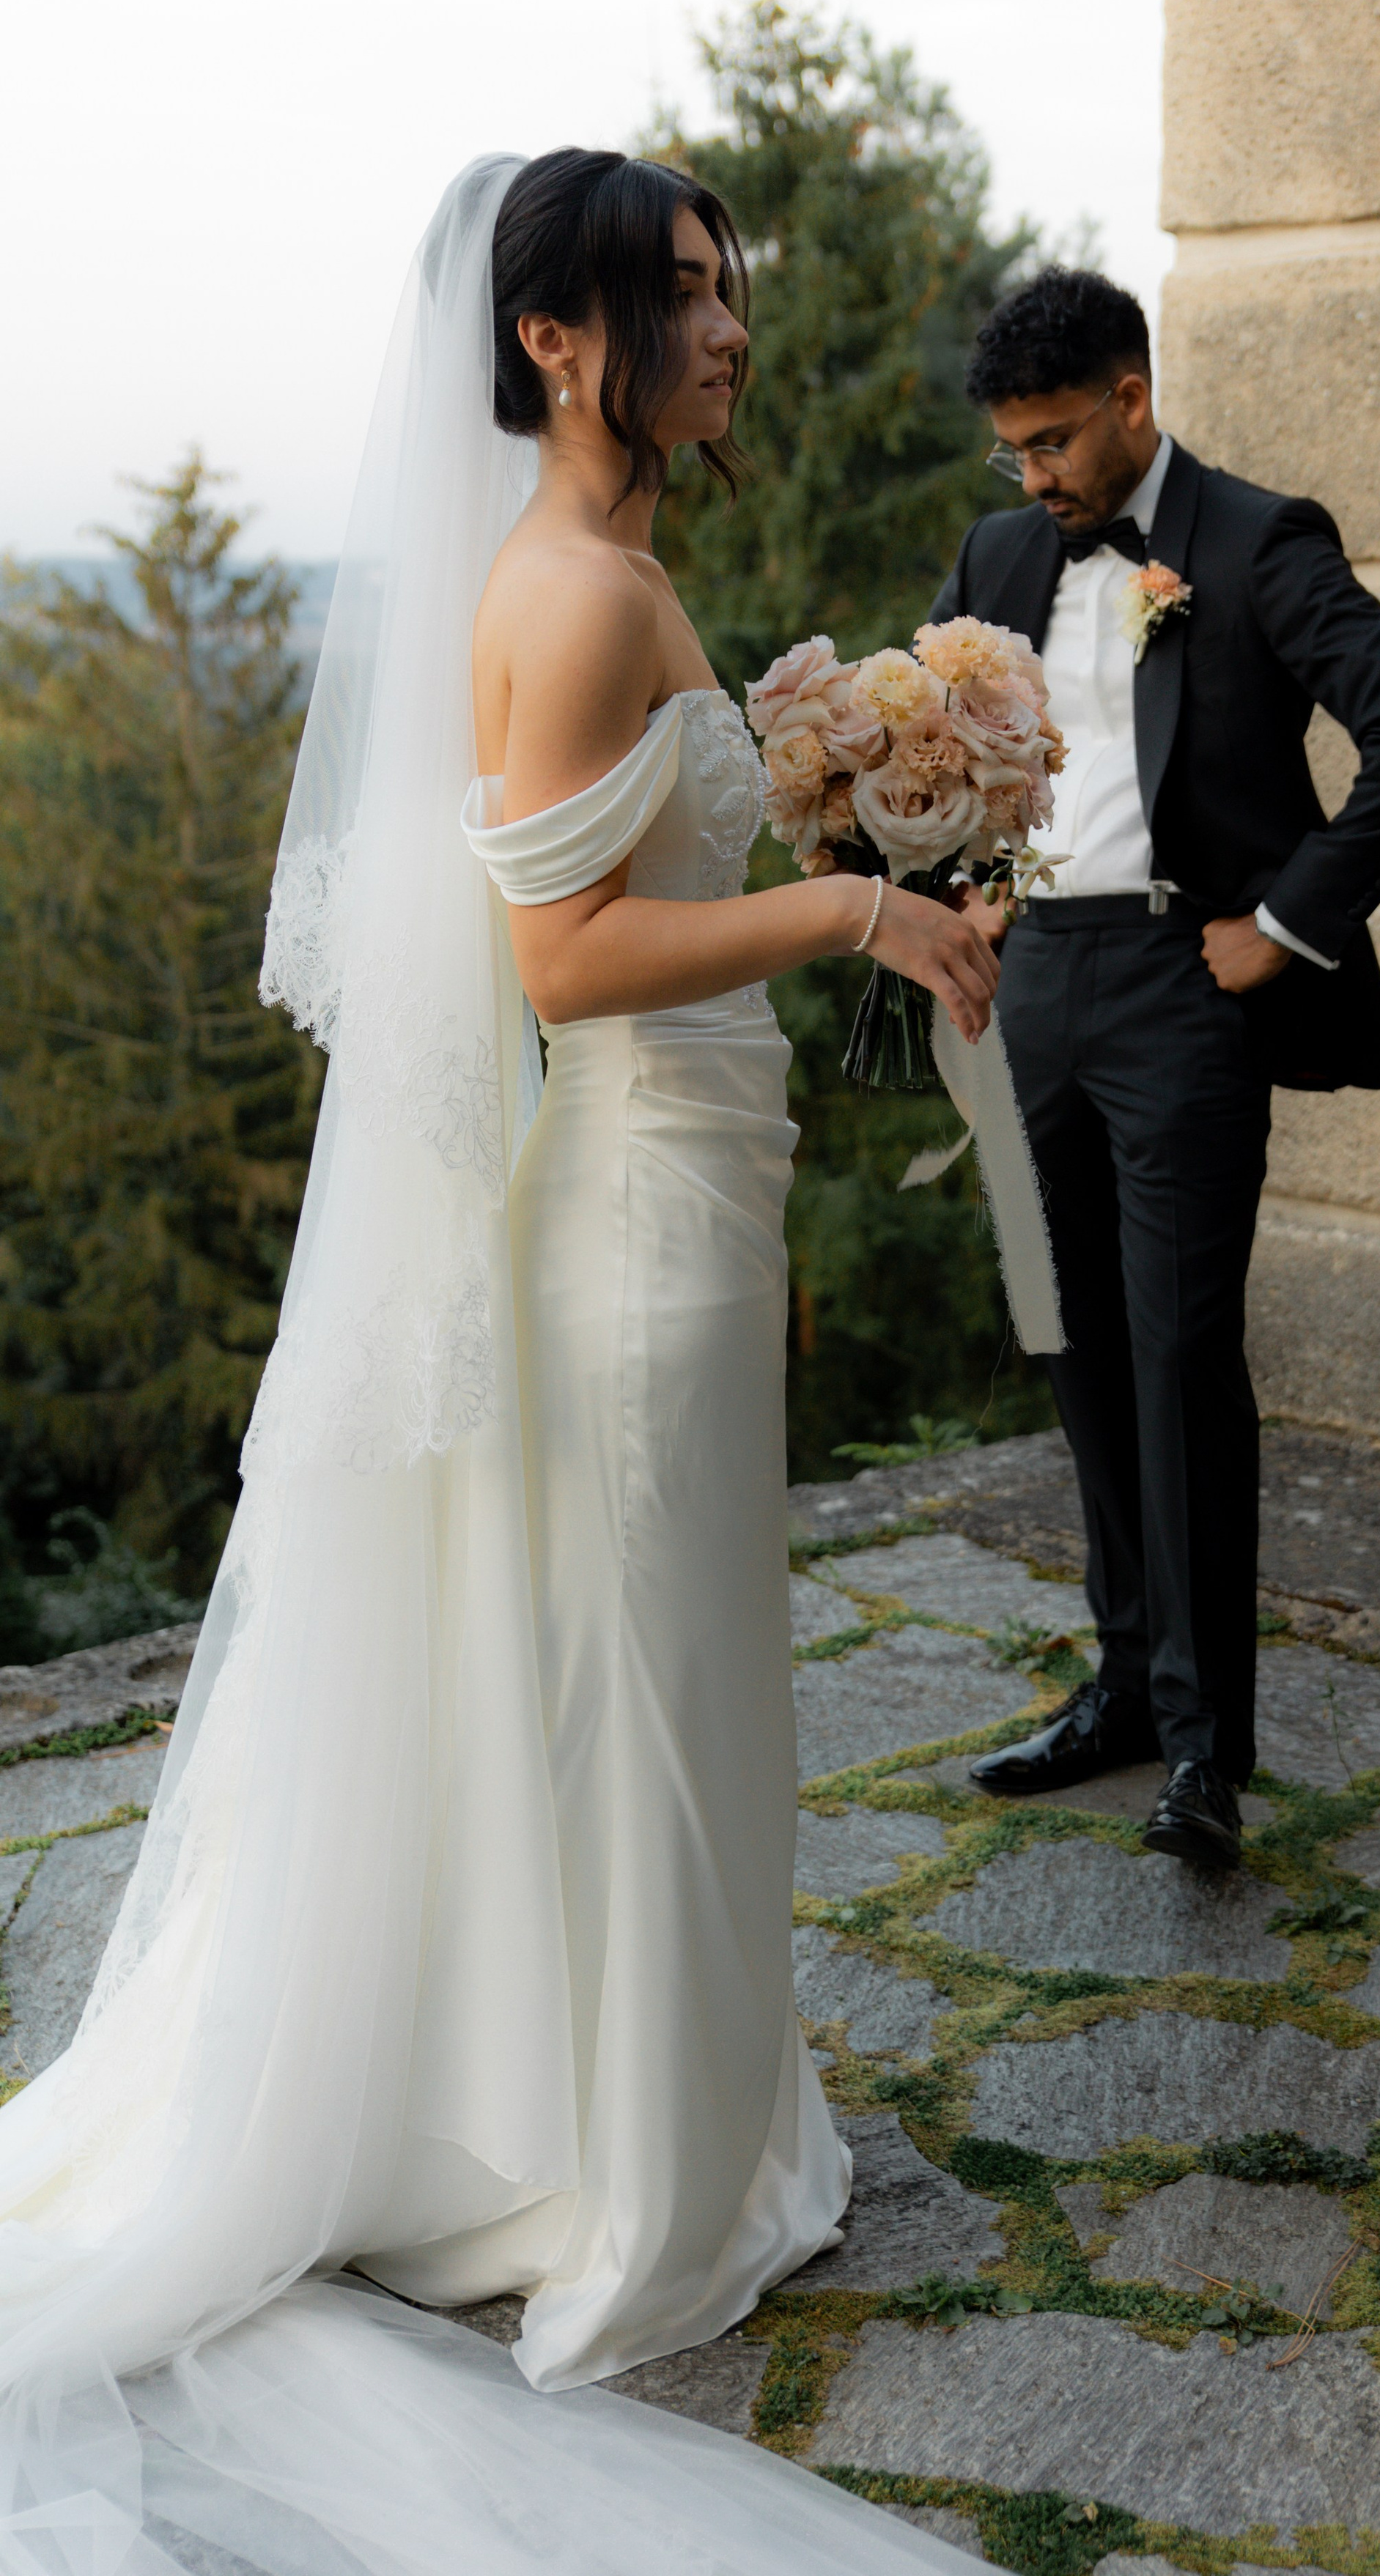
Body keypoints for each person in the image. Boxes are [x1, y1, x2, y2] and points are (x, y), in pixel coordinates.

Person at [0, 153, 994, 2572]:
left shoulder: (610, 573)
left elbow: (636, 875)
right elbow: (559, 966)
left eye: (729, 288)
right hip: (633, 1221)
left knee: (678, 1675)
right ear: (553, 340)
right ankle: (639, 2185)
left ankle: (658, 2114)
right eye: (685, 293)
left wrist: (842, 784)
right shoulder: (565, 594)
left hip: (691, 1198)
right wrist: (853, 906)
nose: (729, 327)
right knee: (649, 1686)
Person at [933, 267, 1380, 1870]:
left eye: (1052, 441)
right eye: (1012, 450)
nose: (1032, 475)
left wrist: (1286, 924)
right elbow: (978, 760)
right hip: (1033, 986)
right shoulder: (998, 555)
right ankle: (1119, 1688)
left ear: (1131, 399)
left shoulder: (1257, 542)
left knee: (1178, 1359)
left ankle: (1202, 1750)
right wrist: (974, 881)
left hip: (1184, 991)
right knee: (1070, 1342)